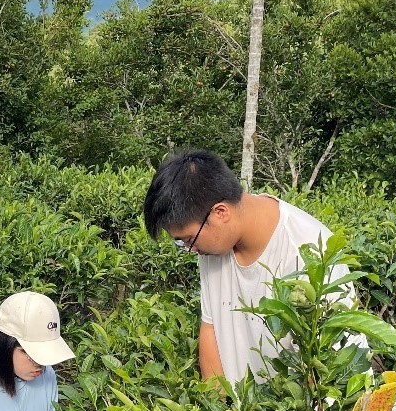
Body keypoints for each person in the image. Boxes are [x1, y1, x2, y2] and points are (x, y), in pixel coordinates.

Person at [142, 147, 341, 385]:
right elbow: (211, 327)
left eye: (188, 239)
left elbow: (328, 371)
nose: (190, 249)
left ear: (220, 213)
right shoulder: (213, 246)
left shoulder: (310, 251)